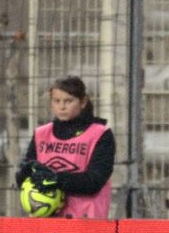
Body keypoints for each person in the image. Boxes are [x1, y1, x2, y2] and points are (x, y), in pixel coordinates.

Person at [15, 76, 116, 219]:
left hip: (85, 222)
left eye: (68, 101)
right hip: (46, 220)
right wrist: (23, 174)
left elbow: (95, 180)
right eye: (57, 101)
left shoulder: (100, 134)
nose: (62, 106)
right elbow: (28, 178)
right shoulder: (41, 134)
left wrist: (57, 179)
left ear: (83, 102)